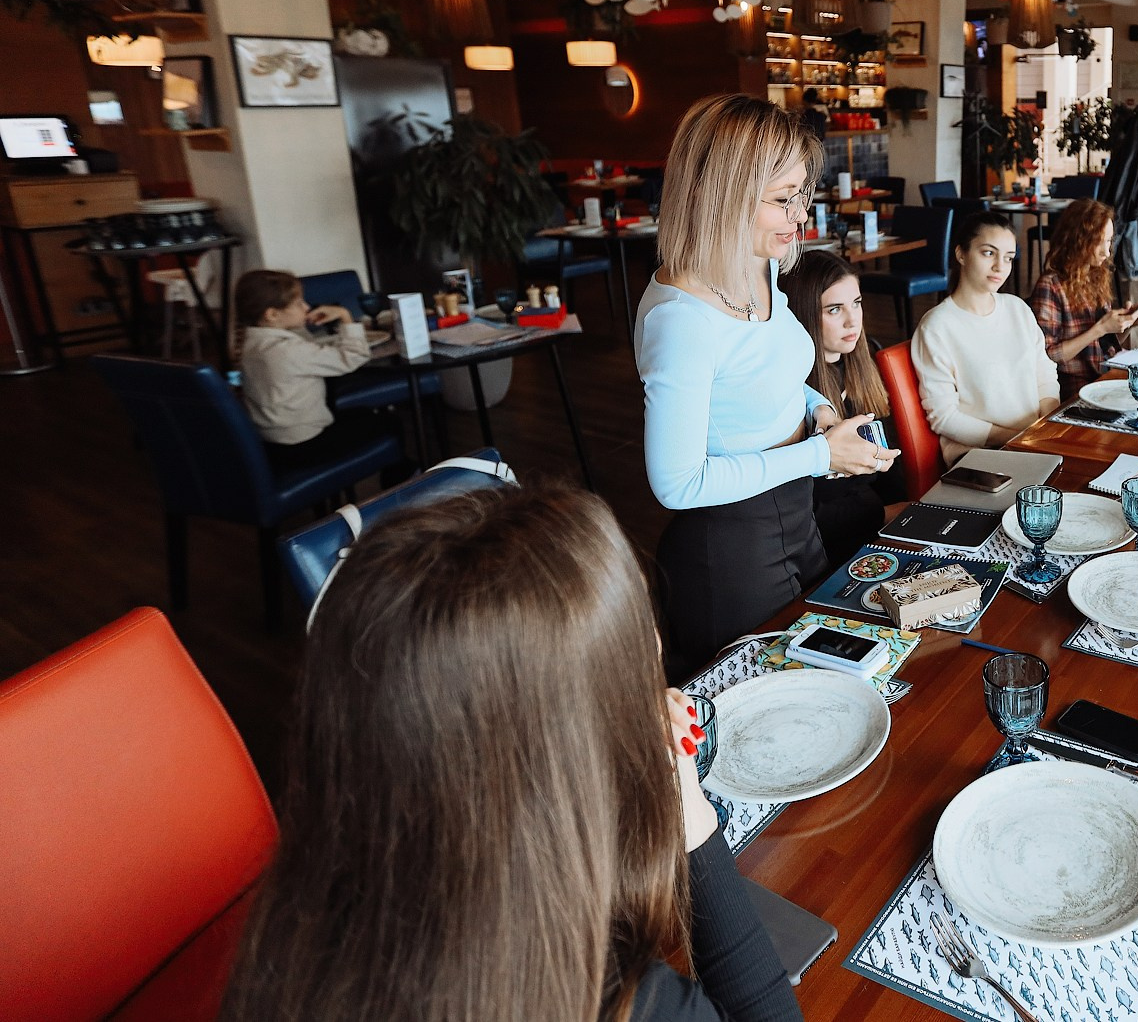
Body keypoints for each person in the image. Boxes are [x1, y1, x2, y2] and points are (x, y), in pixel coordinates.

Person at [219, 486, 805, 1022]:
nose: (656, 645)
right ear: (571, 755)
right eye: (638, 648)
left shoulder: (293, 939)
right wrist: (691, 824)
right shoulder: (621, 1002)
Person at [637, 94, 896, 674]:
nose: (801, 214)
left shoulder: (757, 266)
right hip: (728, 549)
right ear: (723, 193)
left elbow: (774, 370)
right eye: (782, 200)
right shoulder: (680, 320)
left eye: (801, 194)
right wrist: (816, 453)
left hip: (798, 518)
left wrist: (821, 412)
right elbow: (676, 484)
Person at [779, 249, 906, 563]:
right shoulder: (793, 392)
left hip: (880, 525)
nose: (853, 320)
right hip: (830, 545)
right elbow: (809, 507)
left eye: (857, 303)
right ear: (804, 313)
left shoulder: (864, 360)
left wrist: (906, 512)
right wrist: (884, 514)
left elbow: (891, 462)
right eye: (834, 309)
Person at [912, 210, 1059, 464]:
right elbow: (944, 417)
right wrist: (1018, 438)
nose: (1000, 266)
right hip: (978, 455)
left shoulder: (1018, 309)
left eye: (1009, 258)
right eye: (988, 253)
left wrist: (1046, 431)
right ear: (961, 254)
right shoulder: (937, 326)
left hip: (1034, 444)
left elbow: (1045, 377)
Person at [232, 268, 405, 476]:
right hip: (305, 446)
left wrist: (299, 324)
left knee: (362, 415)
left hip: (274, 444)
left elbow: (307, 354)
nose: (305, 307)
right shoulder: (287, 351)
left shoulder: (253, 344)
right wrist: (345, 317)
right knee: (388, 421)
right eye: (298, 303)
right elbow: (354, 357)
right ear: (272, 314)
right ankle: (402, 482)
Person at [1029, 198, 1138, 399]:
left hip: (1105, 374)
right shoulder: (1051, 285)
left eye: (1109, 241)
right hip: (1076, 387)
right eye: (1098, 241)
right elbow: (1048, 356)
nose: (1106, 251)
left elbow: (1102, 344)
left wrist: (1126, 324)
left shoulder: (1095, 275)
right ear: (1076, 239)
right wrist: (1100, 327)